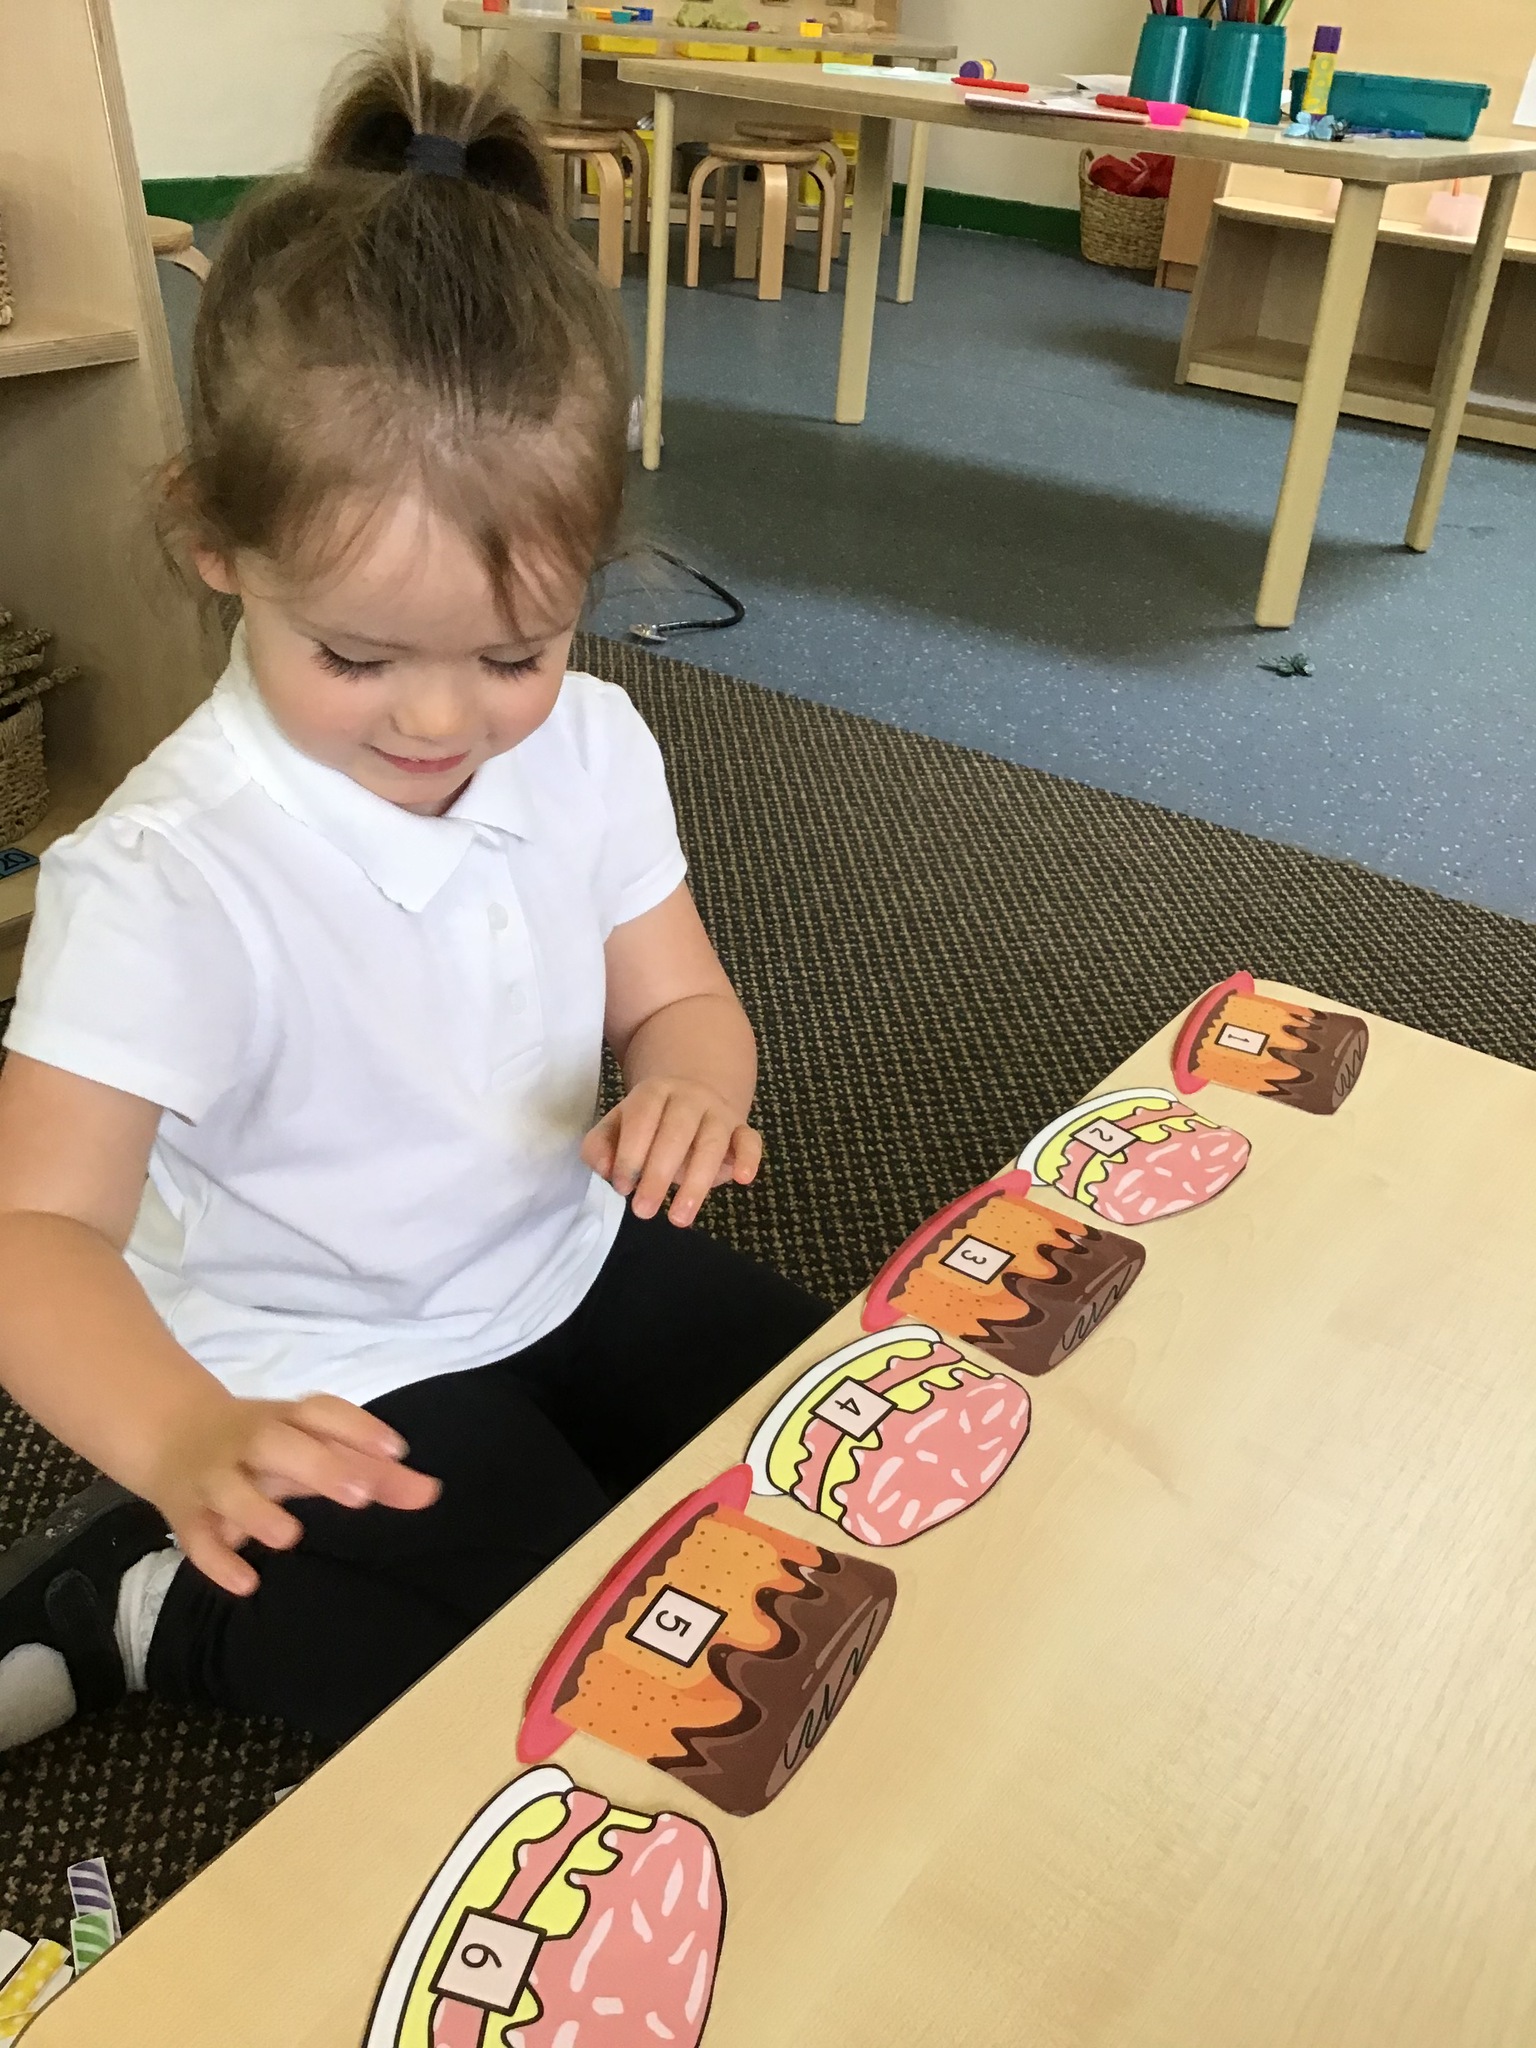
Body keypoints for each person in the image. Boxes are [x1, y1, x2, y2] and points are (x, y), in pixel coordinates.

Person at [0, 35, 826, 1754]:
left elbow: (683, 998)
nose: (444, 723)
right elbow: (32, 1234)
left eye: (515, 651)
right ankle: (153, 1601)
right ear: (217, 543)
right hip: (316, 1360)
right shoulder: (166, 875)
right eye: (360, 657)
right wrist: (178, 1438)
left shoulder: (590, 744)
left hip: (560, 1255)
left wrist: (692, 1086)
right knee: (577, 1698)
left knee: (840, 1477)